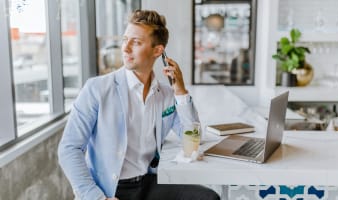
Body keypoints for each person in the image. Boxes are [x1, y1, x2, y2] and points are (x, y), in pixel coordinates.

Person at [58, 9, 220, 200]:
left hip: (147, 183)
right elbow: (69, 149)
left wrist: (180, 91)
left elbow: (193, 140)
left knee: (208, 198)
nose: (125, 48)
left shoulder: (166, 95)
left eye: (136, 42)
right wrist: (96, 197)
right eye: (125, 40)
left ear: (158, 51)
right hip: (110, 189)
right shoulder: (97, 89)